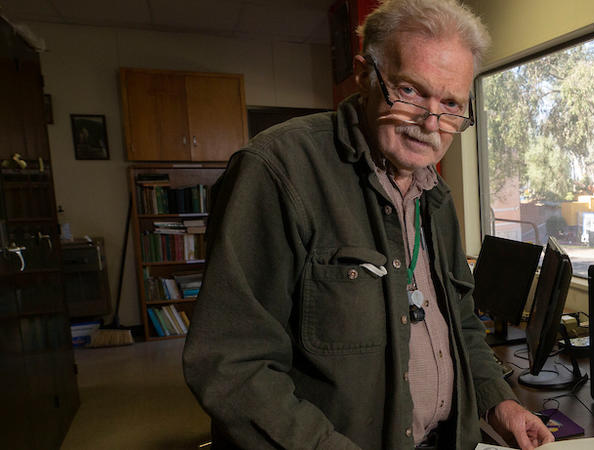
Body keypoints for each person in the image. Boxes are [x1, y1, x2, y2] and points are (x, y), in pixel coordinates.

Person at [182, 1, 554, 449]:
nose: (431, 123)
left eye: (452, 104)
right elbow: (231, 364)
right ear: (363, 75)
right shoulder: (277, 171)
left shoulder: (435, 194)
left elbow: (460, 322)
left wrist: (500, 402)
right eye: (411, 91)